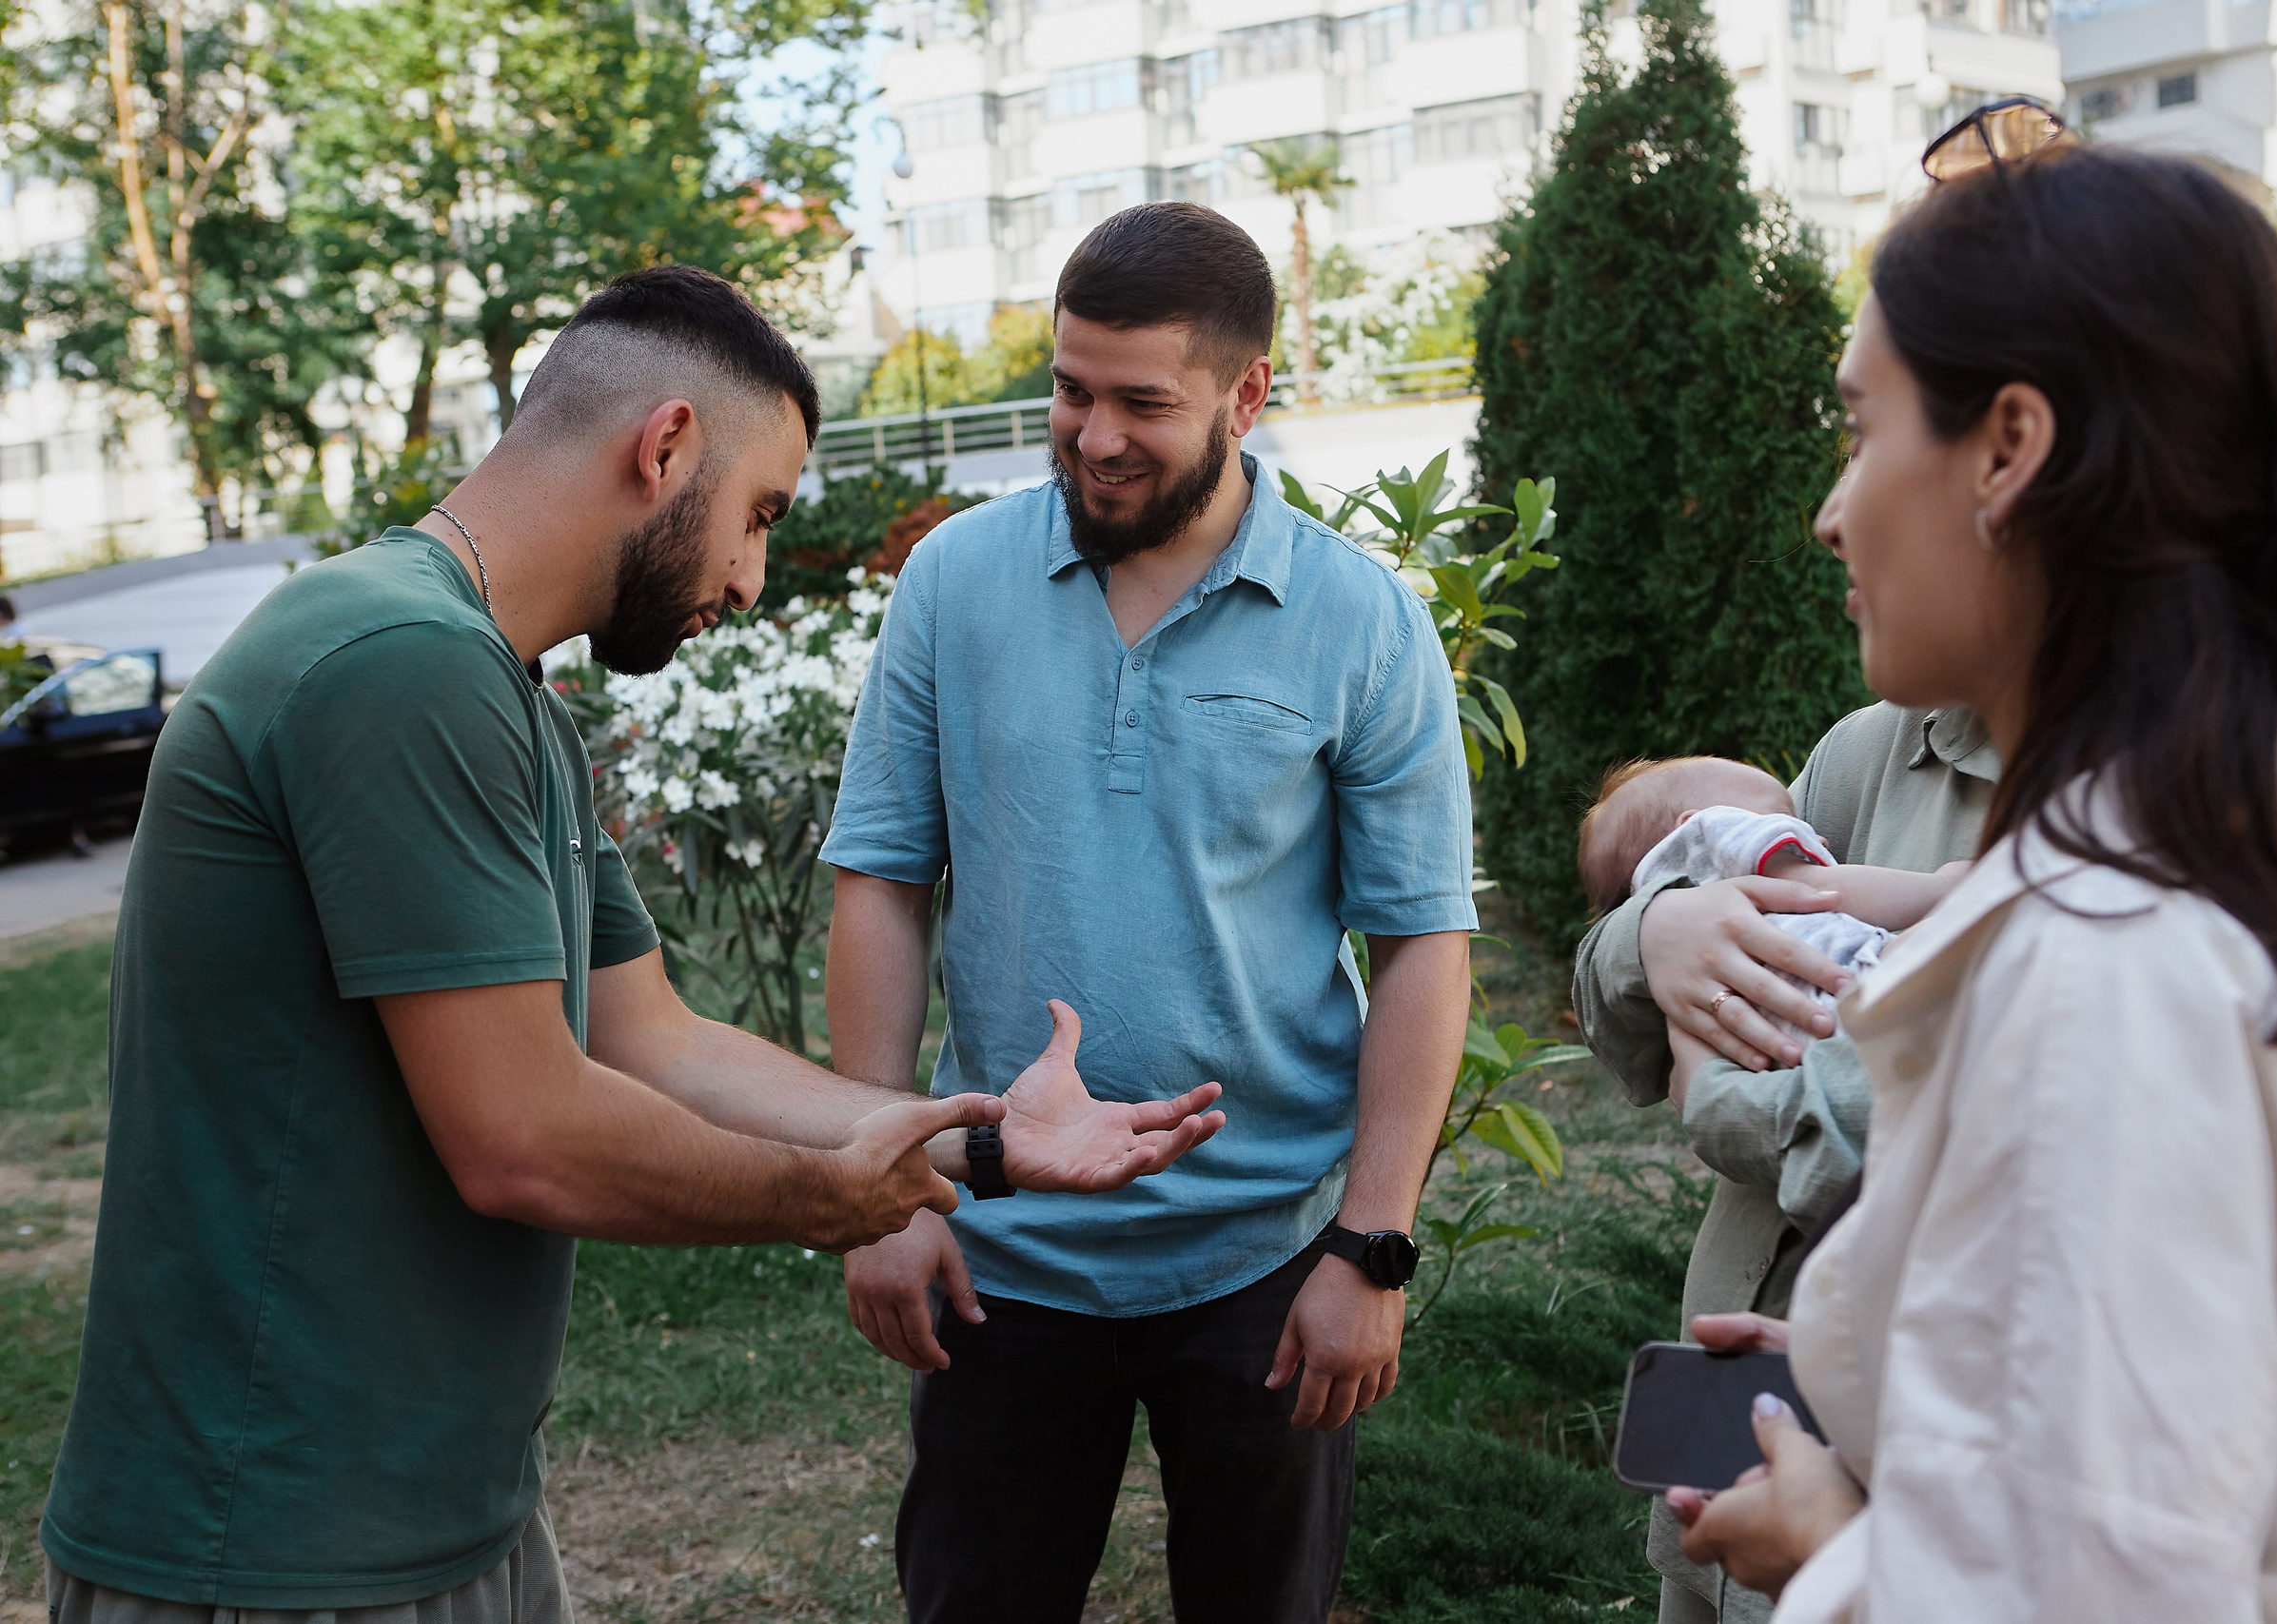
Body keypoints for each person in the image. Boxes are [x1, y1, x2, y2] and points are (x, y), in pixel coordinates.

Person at [40, 265, 1223, 1624]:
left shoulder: (501, 696)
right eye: (758, 516)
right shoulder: (396, 665)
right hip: (268, 1534)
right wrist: (820, 1198)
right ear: (663, 447)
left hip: (436, 1507)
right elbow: (523, 1132)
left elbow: (652, 1037)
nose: (751, 577)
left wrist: (977, 1137)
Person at [1668, 142, 2277, 1621]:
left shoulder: (2108, 966)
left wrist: (1839, 1548)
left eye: (1861, 426)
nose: (1833, 511)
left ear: (2010, 447)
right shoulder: (2260, 856)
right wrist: (1892, 1392)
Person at [819, 201, 1477, 1624]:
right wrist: (874, 1182)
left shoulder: (1360, 617)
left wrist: (1371, 1246)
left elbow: (1425, 942)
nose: (1094, 434)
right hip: (999, 1239)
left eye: (1141, 401)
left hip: (1264, 1250)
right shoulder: (955, 579)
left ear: (1246, 394)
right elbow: (880, 877)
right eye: (1069, 389)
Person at [1577, 730, 1993, 1624]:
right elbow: (1610, 978)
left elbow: (1943, 1131)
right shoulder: (1876, 746)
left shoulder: (2141, 810)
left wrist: (1724, 1103)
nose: (1850, 577)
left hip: (1907, 1459)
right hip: (1739, 1384)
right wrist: (1651, 930)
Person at [1579, 756, 1965, 1053]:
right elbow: (1828, 892)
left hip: (1793, 1044)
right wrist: (1945, 886)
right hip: (1853, 989)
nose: (1820, 840)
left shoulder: (1681, 934)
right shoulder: (1716, 835)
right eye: (1784, 820)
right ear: (1695, 826)